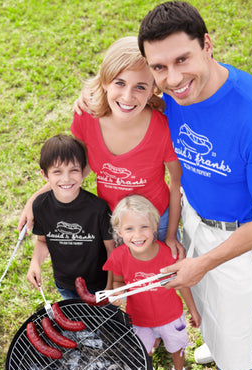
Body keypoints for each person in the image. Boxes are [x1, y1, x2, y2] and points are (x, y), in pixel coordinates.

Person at [135, 2, 252, 370]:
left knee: (235, 320)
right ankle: (217, 344)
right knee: (207, 302)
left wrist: (206, 261)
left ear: (207, 45)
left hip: (234, 233)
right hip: (193, 212)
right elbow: (128, 93)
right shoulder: (169, 94)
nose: (173, 79)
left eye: (182, 59)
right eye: (159, 67)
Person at [20, 36, 184, 260]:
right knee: (120, 283)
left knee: (158, 286)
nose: (127, 97)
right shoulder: (86, 117)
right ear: (105, 81)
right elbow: (81, 168)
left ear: (153, 90)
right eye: (119, 83)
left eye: (140, 86)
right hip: (110, 222)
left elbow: (176, 182)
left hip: (155, 222)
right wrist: (36, 199)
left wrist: (172, 235)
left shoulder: (163, 128)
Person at [103, 195, 201, 370]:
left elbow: (182, 283)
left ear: (156, 226)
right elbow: (118, 280)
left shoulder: (168, 254)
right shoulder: (119, 256)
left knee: (176, 348)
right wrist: (118, 294)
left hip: (170, 315)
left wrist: (192, 309)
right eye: (129, 229)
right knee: (144, 351)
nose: (137, 235)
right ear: (119, 232)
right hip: (139, 318)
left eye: (144, 227)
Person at [26, 134, 115, 300]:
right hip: (65, 284)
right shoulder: (40, 206)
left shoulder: (98, 208)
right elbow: (42, 241)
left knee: (107, 323)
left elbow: (111, 249)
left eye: (73, 170)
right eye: (57, 172)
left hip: (99, 285)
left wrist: (110, 287)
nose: (66, 179)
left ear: (83, 171)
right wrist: (35, 263)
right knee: (78, 323)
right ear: (45, 175)